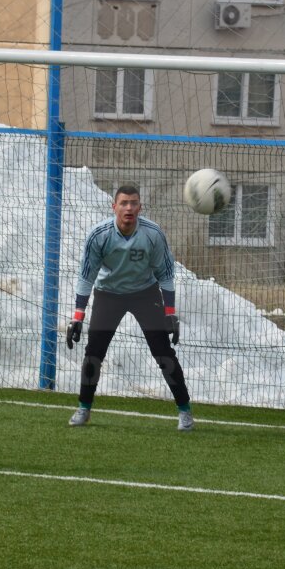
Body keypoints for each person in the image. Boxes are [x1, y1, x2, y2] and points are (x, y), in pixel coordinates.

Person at [67, 183, 193, 430]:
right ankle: (84, 408)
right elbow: (86, 277)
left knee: (164, 355)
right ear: (114, 207)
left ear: (140, 207)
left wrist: (169, 313)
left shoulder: (152, 234)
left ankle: (185, 411)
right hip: (108, 295)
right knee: (93, 355)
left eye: (134, 203)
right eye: (124, 203)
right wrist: (78, 317)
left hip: (145, 294)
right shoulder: (99, 235)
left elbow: (166, 274)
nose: (129, 208)